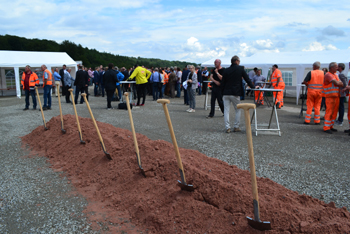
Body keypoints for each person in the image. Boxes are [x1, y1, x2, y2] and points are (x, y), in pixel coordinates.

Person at [221, 55, 255, 133]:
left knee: (226, 110)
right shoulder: (240, 69)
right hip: (235, 93)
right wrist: (253, 87)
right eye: (239, 61)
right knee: (238, 109)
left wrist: (222, 92)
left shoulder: (226, 70)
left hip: (226, 93)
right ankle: (236, 126)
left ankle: (227, 127)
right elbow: (247, 79)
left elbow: (223, 83)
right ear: (236, 61)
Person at [322, 62, 343, 134]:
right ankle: (326, 127)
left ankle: (330, 126)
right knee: (329, 112)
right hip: (330, 96)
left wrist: (338, 82)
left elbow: (342, 83)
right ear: (331, 67)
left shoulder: (335, 75)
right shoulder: (328, 74)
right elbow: (337, 83)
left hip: (336, 96)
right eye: (336, 67)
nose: (337, 68)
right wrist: (338, 83)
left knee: (334, 112)